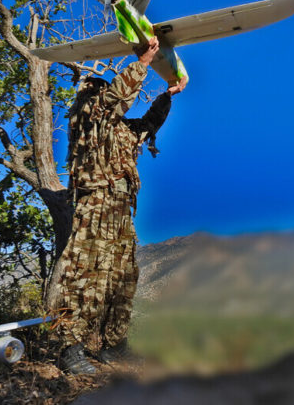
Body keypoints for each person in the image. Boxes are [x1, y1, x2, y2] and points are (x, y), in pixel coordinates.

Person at [56, 37, 185, 374]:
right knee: (86, 278)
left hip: (120, 212)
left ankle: (113, 345)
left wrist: (167, 97)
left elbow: (147, 125)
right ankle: (71, 349)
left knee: (123, 280)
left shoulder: (120, 131)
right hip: (95, 208)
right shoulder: (88, 118)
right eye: (98, 91)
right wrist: (141, 64)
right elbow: (110, 101)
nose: (102, 95)